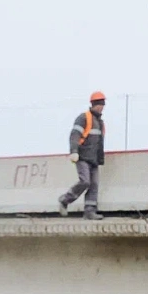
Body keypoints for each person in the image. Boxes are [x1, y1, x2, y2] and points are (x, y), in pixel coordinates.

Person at [58, 92, 107, 220]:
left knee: (94, 184)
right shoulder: (84, 118)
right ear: (94, 104)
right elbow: (75, 135)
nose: (102, 107)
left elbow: (99, 143)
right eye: (100, 104)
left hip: (94, 159)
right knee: (85, 181)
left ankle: (89, 211)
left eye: (103, 104)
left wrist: (100, 159)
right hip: (82, 156)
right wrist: (74, 151)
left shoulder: (100, 123)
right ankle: (65, 199)